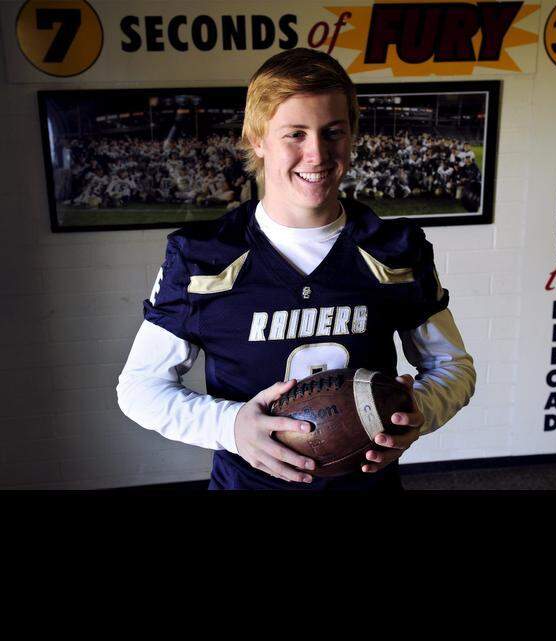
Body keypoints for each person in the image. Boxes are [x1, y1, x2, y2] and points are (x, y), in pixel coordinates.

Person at [116, 48, 476, 491]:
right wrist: (231, 425)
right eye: (295, 134)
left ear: (351, 136)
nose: (316, 154)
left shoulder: (395, 250)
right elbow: (140, 388)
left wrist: (414, 411)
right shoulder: (202, 257)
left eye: (333, 132)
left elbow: (453, 366)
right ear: (257, 139)